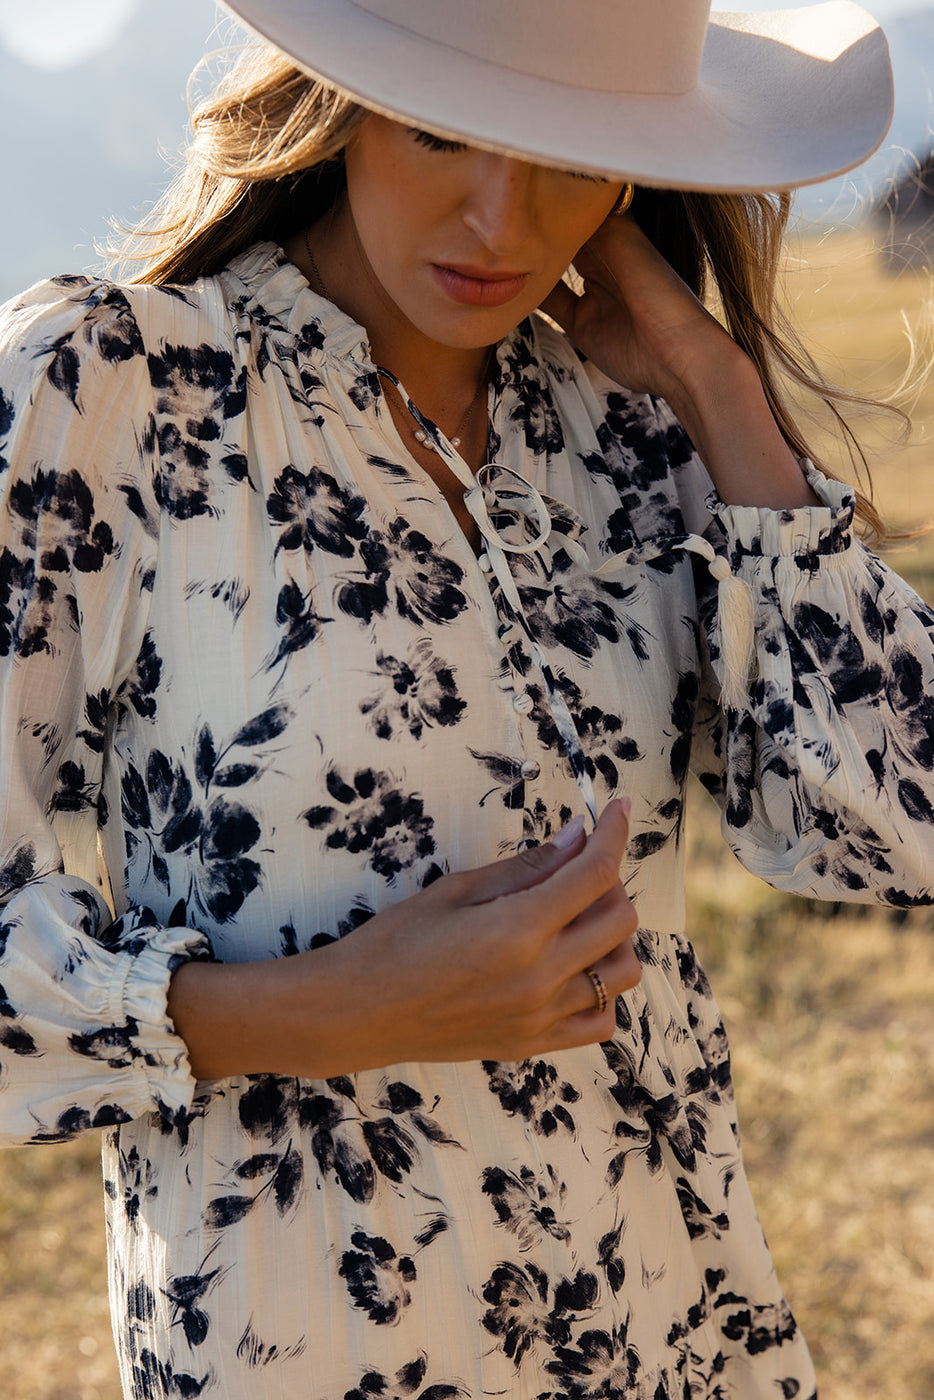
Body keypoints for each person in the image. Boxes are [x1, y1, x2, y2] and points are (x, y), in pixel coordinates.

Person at [0, 1, 930, 1396]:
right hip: (314, 1343)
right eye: (443, 129)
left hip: (672, 1321)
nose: (500, 217)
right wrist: (325, 1011)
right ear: (346, 101)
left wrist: (716, 387)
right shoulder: (117, 396)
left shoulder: (629, 432)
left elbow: (900, 827)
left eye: (565, 148)